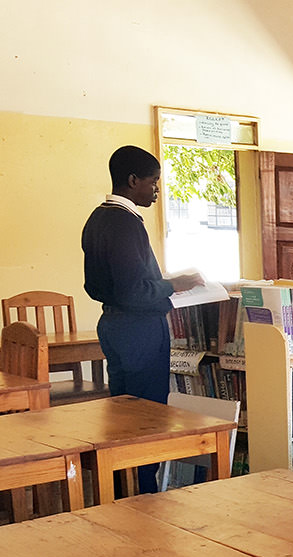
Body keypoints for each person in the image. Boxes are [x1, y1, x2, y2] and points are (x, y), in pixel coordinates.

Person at [83, 145, 203, 493]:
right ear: (133, 180)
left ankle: (125, 487)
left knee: (123, 413)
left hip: (115, 325)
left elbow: (95, 286)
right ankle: (143, 492)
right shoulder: (125, 223)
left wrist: (159, 284)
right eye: (153, 182)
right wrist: (172, 285)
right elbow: (135, 291)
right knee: (146, 416)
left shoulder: (98, 217)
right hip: (139, 331)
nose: (156, 190)